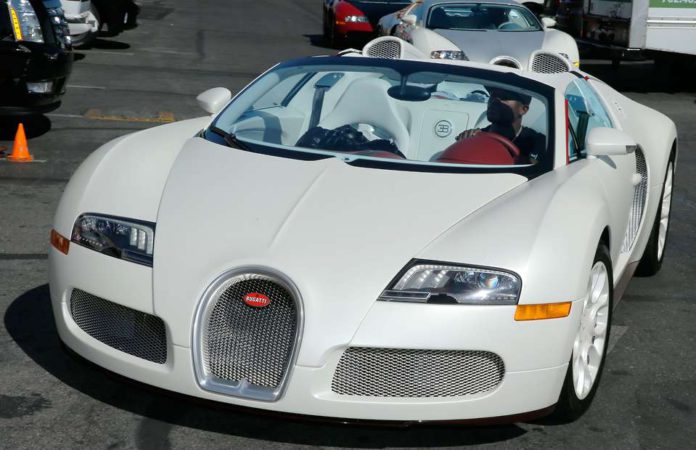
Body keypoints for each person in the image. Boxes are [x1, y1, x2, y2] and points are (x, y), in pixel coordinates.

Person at [456, 87, 546, 162]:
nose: (495, 101)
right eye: (493, 95)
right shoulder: (472, 138)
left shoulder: (539, 144)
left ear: (523, 109)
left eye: (505, 97)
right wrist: (465, 144)